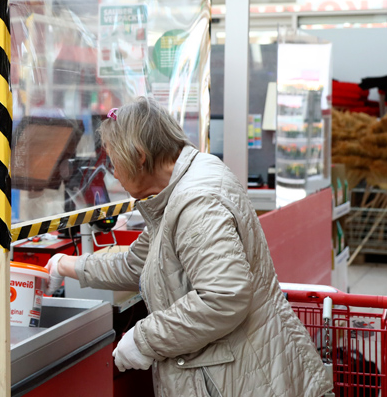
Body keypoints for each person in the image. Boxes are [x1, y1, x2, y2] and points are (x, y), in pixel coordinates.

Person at [46, 97, 332, 396]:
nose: (113, 173)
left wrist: (143, 339)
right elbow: (137, 264)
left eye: (114, 161)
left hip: (244, 378)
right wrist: (68, 266)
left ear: (139, 156)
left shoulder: (195, 204)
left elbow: (223, 297)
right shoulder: (183, 184)